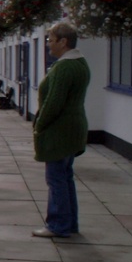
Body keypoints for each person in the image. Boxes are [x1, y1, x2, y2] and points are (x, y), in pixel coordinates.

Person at [32, 22, 90, 238]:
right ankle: (69, 223)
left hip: (60, 130)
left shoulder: (65, 67)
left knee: (56, 178)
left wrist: (40, 125)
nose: (48, 44)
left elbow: (54, 102)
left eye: (51, 40)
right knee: (65, 177)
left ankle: (57, 225)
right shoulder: (80, 63)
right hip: (73, 127)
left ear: (63, 42)